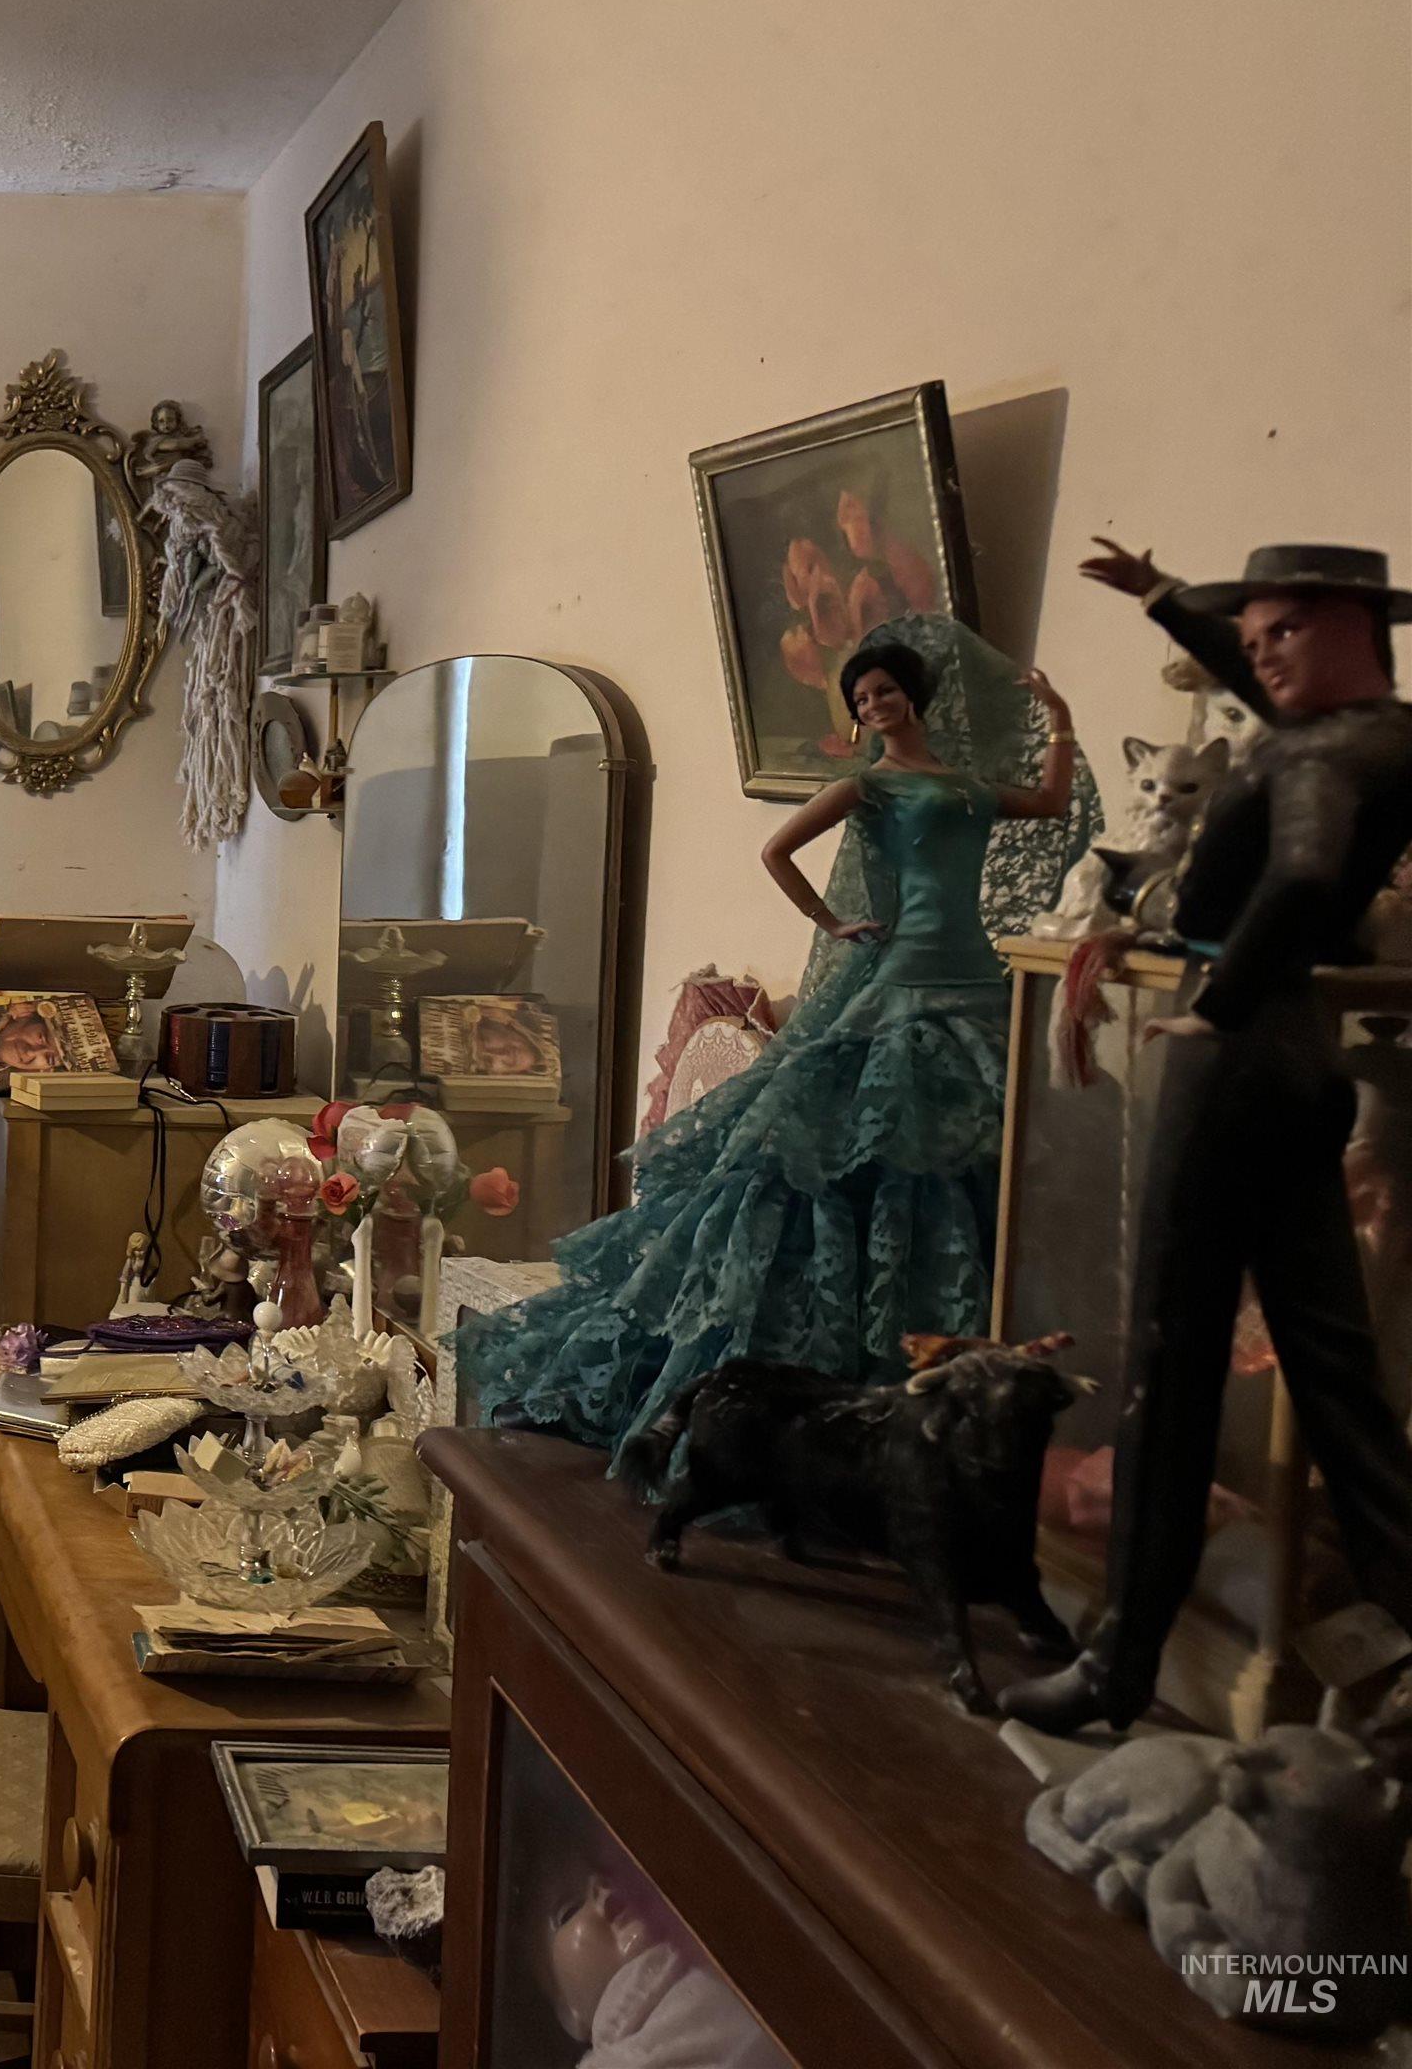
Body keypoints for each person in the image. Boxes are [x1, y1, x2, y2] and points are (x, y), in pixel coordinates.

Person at [461, 615, 1087, 1469]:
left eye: (886, 691)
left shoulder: (969, 784)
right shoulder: (872, 788)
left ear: (915, 697)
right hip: (897, 982)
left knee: (973, 1171)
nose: (876, 706)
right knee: (858, 1166)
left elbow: (1051, 804)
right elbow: (778, 850)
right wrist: (832, 921)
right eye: (862, 699)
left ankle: (960, 1397)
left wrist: (1059, 720)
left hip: (975, 981)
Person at [1006, 541, 1412, 1734]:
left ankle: (1118, 1667)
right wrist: (1162, 598)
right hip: (1297, 1070)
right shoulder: (1361, 730)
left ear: (1354, 628)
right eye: (1257, 633)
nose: (1262, 652)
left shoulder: (1341, 749)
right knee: (1337, 1377)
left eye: (1285, 631)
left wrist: (1214, 1007)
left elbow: (1299, 879)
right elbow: (1243, 673)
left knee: (1169, 1372)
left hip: (1235, 1065)